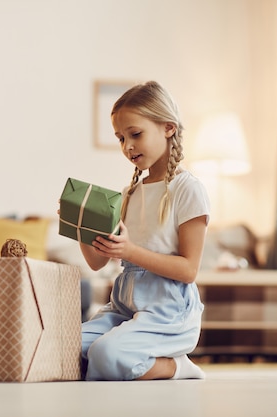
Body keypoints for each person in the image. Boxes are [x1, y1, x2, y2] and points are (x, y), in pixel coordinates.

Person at [80, 81, 210, 381]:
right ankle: (131, 357)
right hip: (125, 304)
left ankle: (177, 366)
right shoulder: (128, 194)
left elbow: (189, 270)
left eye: (135, 134)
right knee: (67, 346)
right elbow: (97, 262)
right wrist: (81, 227)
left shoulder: (188, 189)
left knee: (105, 354)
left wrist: (130, 251)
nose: (127, 146)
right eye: (121, 138)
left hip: (168, 309)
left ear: (168, 128)